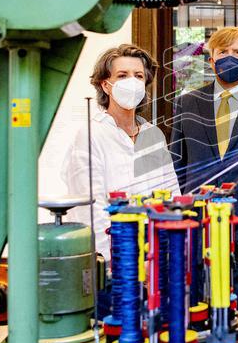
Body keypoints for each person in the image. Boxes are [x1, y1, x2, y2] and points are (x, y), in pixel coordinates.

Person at [169, 26, 238, 314]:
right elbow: (177, 166)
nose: (229, 58)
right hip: (199, 234)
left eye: (237, 52)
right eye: (222, 52)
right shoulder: (187, 103)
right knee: (199, 317)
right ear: (210, 59)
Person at [62, 44, 180, 259]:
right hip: (114, 254)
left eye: (138, 76)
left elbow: (171, 195)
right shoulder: (91, 133)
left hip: (156, 253)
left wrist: (171, 251)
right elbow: (90, 208)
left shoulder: (153, 135)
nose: (132, 82)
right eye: (123, 75)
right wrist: (109, 261)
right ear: (106, 85)